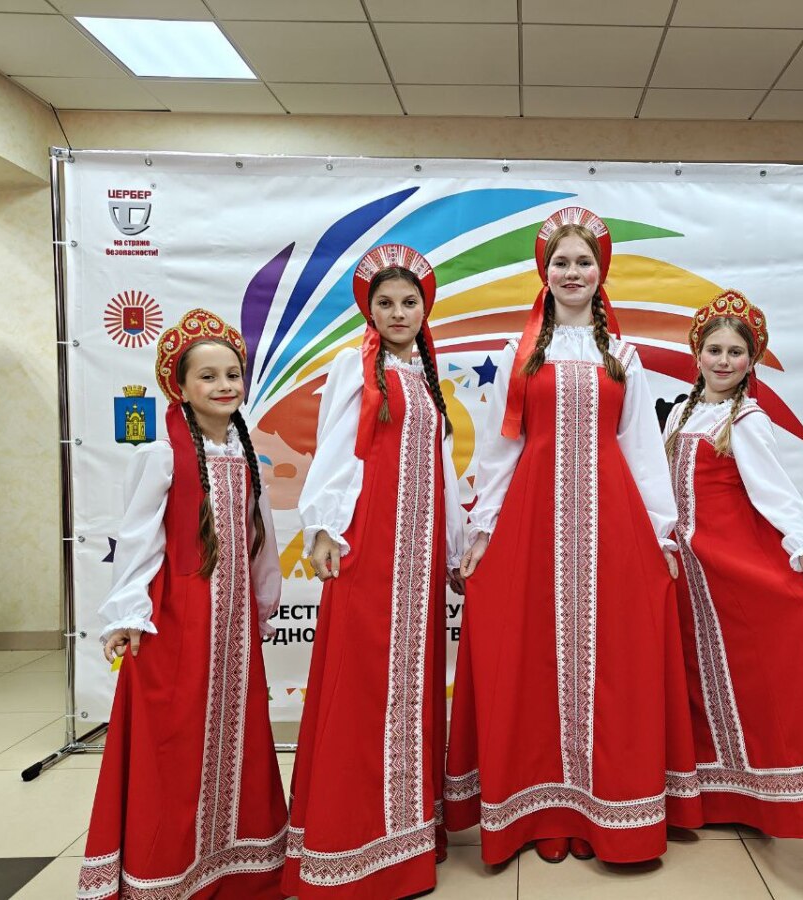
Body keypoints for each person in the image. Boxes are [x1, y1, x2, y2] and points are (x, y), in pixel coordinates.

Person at [444, 207, 699, 865]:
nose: (573, 272)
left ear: (600, 270)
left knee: (613, 659)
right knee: (532, 659)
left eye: (584, 261)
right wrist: (483, 529)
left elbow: (641, 449)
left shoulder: (624, 356)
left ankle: (603, 814)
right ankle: (540, 815)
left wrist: (663, 535)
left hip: (613, 521)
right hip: (532, 521)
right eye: (561, 261)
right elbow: (501, 449)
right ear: (545, 271)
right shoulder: (520, 354)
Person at [77, 309, 287, 900]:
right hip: (178, 620)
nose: (224, 386)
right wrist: (129, 613)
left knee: (234, 737)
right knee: (178, 742)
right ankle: (169, 869)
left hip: (231, 624)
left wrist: (261, 602)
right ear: (181, 386)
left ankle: (237, 865)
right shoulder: (162, 453)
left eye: (233, 375)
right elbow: (139, 537)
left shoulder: (243, 452)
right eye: (208, 377)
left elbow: (260, 538)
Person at [283, 245, 463, 898]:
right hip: (370, 546)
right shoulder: (355, 365)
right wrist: (325, 528)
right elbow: (336, 449)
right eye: (385, 303)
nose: (398, 313)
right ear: (369, 309)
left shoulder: (429, 374)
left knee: (411, 684)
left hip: (419, 555)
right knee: (362, 681)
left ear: (425, 308)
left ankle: (407, 833)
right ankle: (350, 837)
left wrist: (454, 549)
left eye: (409, 302)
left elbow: (442, 471)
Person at [664, 290, 803, 837]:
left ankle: (762, 791)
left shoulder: (746, 418)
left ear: (751, 360)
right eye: (714, 350)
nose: (724, 361)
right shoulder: (681, 413)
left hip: (730, 563)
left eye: (736, 352)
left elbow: (774, 491)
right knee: (700, 678)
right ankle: (709, 792)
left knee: (748, 674)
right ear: (697, 353)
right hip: (689, 570)